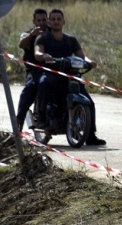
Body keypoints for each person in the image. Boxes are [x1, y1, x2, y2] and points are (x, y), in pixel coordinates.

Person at [34, 8, 105, 145]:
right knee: (44, 83)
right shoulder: (42, 38)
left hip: (71, 75)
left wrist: (89, 62)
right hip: (51, 73)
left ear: (63, 22)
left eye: (58, 19)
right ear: (49, 21)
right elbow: (37, 53)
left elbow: (82, 56)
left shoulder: (71, 40)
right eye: (53, 19)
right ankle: (41, 117)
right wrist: (44, 56)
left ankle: (90, 136)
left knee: (89, 102)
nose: (56, 22)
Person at [15, 8, 48, 131]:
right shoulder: (28, 34)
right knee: (29, 90)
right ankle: (19, 121)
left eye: (44, 20)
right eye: (38, 20)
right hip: (34, 71)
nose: (41, 23)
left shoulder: (51, 33)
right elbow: (21, 44)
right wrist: (31, 35)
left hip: (51, 70)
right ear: (34, 21)